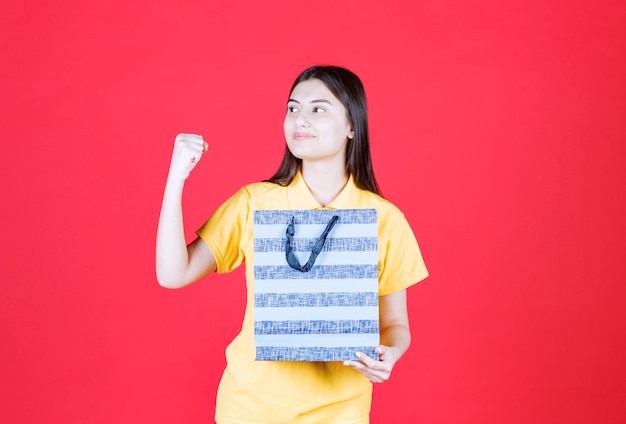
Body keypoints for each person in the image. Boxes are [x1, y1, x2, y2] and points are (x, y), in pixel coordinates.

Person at [156, 65, 428, 423]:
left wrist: (389, 354)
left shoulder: (384, 219)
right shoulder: (255, 202)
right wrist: (176, 179)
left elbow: (395, 323)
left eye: (318, 109)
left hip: (340, 412)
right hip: (250, 408)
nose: (300, 119)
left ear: (351, 126)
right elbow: (174, 274)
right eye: (292, 108)